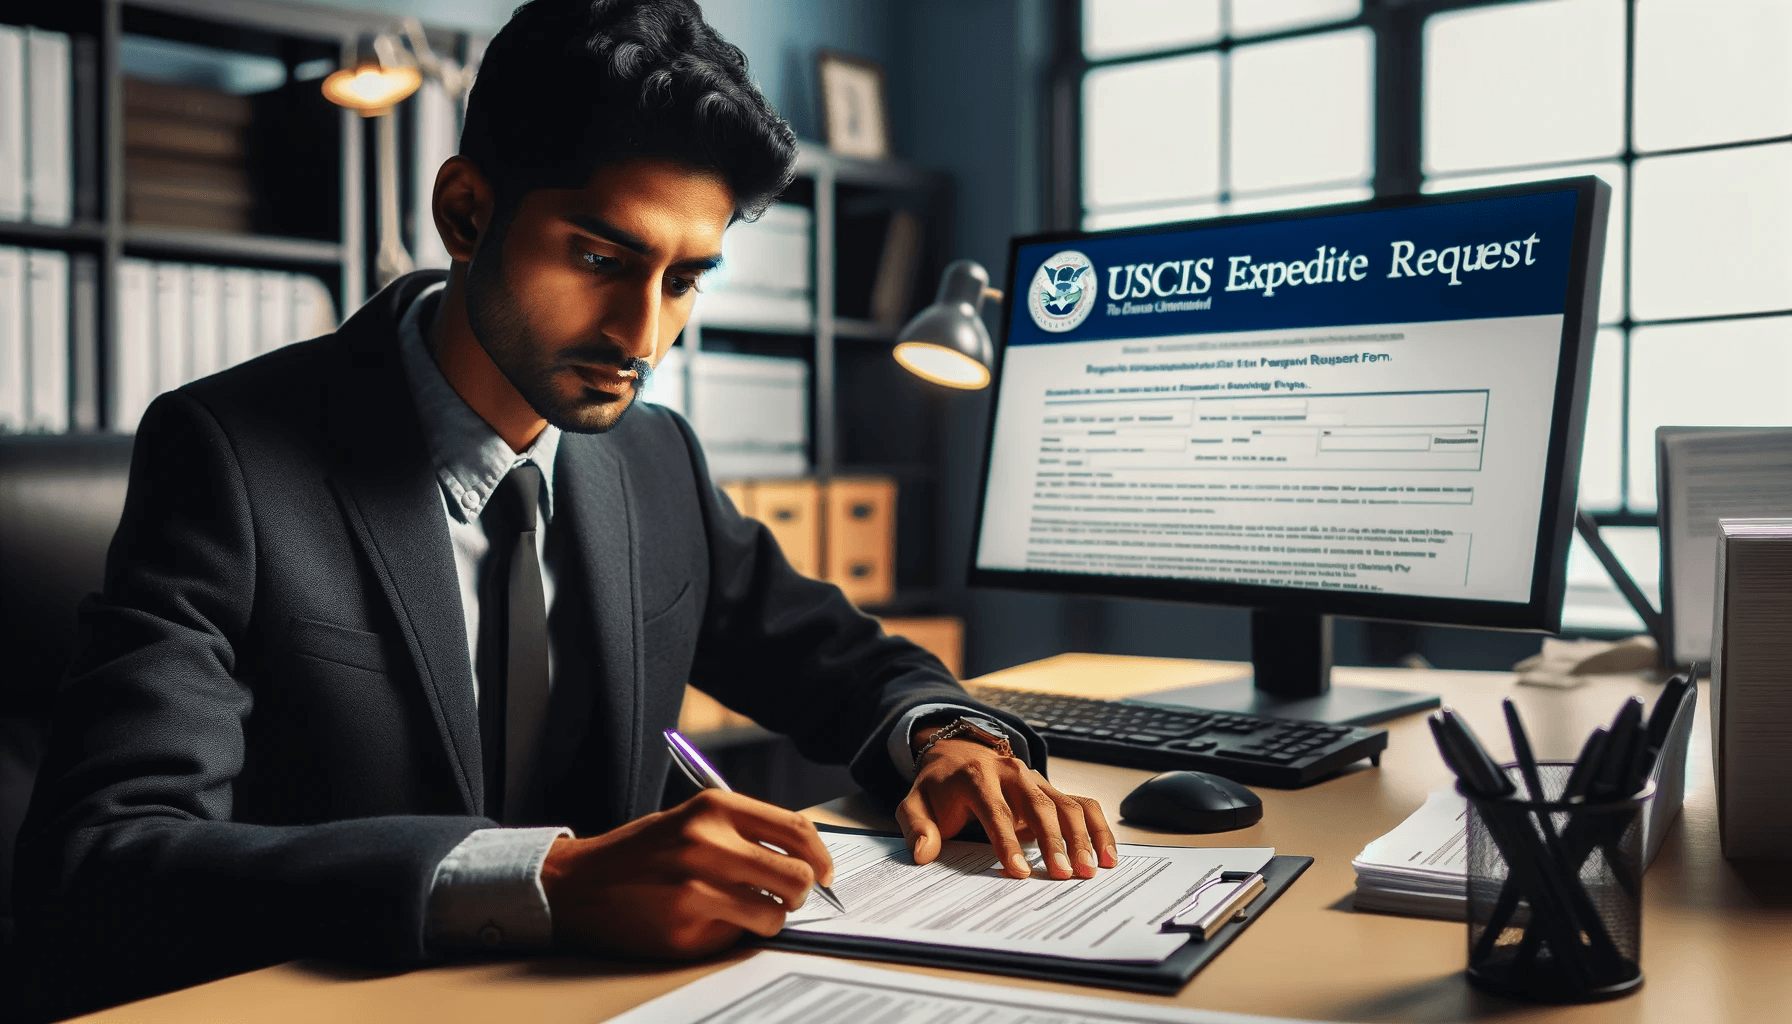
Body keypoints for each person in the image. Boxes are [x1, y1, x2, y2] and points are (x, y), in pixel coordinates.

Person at [13, 0, 1116, 1016]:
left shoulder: (655, 461)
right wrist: (547, 881)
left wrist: (950, 737)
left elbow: (837, 657)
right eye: (600, 256)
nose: (641, 336)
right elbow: (103, 856)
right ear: (466, 210)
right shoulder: (229, 458)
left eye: (684, 280)